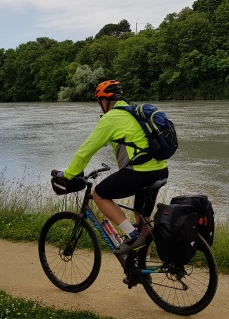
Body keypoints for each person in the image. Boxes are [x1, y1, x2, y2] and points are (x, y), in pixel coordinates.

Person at [56, 80, 169, 254]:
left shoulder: (110, 119)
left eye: (99, 101)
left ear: (104, 101)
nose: (100, 106)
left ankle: (131, 235)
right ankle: (142, 268)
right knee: (142, 218)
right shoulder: (135, 112)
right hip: (160, 169)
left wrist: (68, 175)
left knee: (99, 194)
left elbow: (85, 152)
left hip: (139, 172)